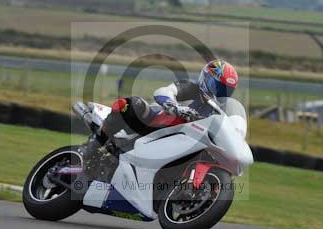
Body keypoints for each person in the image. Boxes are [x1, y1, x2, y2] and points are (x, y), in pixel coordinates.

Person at [81, 59, 239, 180]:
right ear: (206, 78)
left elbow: (230, 127)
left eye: (226, 90)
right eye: (217, 86)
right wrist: (173, 105)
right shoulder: (192, 88)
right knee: (133, 104)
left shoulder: (219, 111)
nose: (220, 92)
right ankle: (92, 147)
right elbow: (165, 91)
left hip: (182, 142)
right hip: (154, 125)